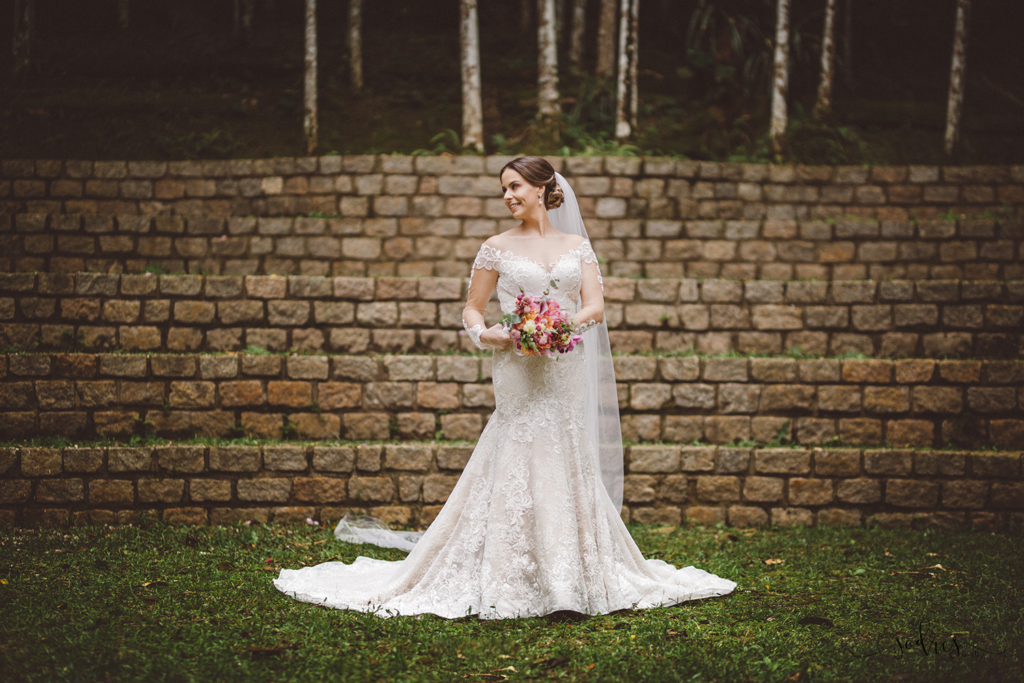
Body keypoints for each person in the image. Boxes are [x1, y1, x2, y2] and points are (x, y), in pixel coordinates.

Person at [273, 157, 736, 619]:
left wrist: (559, 325)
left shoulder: (578, 246)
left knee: (563, 442)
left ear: (542, 188)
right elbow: (472, 308)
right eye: (504, 189)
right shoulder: (494, 247)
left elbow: (594, 305)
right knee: (517, 441)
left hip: (563, 362)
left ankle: (568, 575)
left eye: (516, 186)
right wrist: (486, 334)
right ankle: (508, 569)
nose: (509, 196)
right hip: (516, 364)